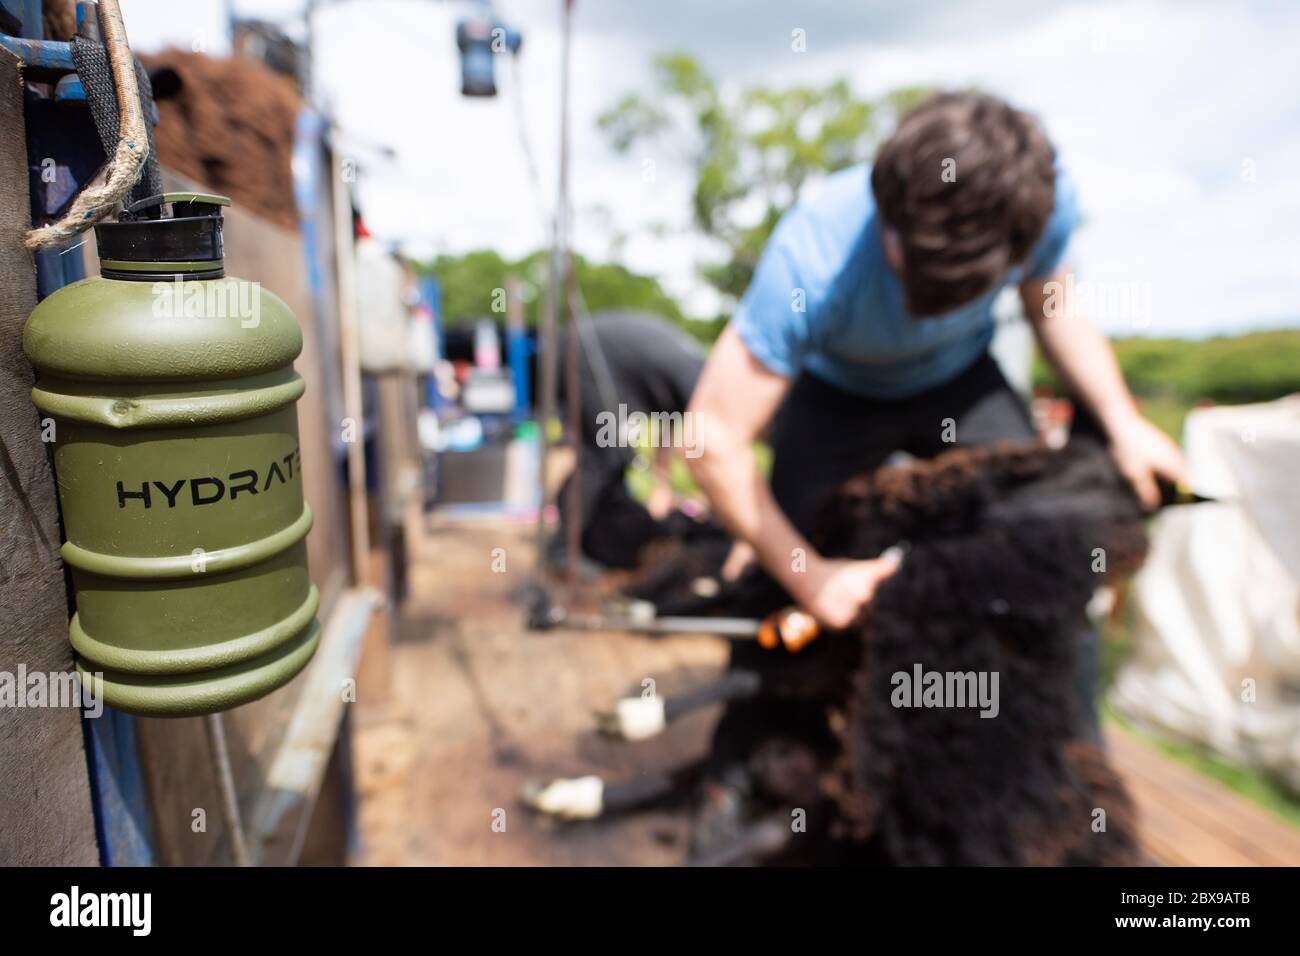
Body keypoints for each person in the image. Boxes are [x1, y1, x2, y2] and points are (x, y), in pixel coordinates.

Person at [687, 91, 1187, 633]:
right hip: (837, 394)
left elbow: (1052, 305)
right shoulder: (811, 258)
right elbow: (711, 436)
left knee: (1032, 526)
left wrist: (1122, 420)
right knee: (785, 568)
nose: (915, 309)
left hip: (961, 381)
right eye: (912, 266)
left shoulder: (1040, 206)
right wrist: (812, 580)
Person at [553, 310, 705, 570]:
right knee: (604, 455)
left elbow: (668, 421)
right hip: (586, 353)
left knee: (616, 457)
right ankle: (563, 551)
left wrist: (662, 484)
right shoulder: (701, 383)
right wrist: (711, 497)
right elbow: (705, 450)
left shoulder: (695, 376)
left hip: (596, 353)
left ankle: (596, 538)